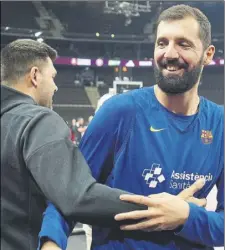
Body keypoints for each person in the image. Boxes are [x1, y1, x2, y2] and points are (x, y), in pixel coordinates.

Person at [39, 4, 224, 250]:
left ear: (208, 54)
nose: (169, 54)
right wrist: (51, 243)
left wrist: (186, 217)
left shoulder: (220, 124)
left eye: (183, 44)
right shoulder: (119, 112)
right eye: (162, 43)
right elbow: (70, 194)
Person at [1, 38, 159, 250]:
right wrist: (157, 207)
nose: (56, 87)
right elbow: (78, 196)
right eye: (53, 77)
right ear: (35, 76)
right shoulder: (38, 120)